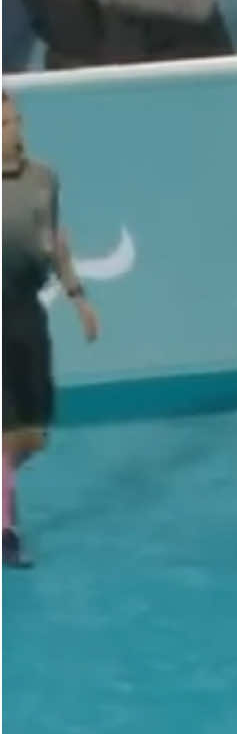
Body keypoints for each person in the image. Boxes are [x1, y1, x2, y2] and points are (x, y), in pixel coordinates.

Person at [2, 90, 99, 568]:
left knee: (32, 434)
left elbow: (54, 244)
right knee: (5, 429)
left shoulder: (45, 178)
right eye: (4, 124)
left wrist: (79, 298)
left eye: (15, 121)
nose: (13, 132)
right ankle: (7, 531)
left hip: (26, 311)